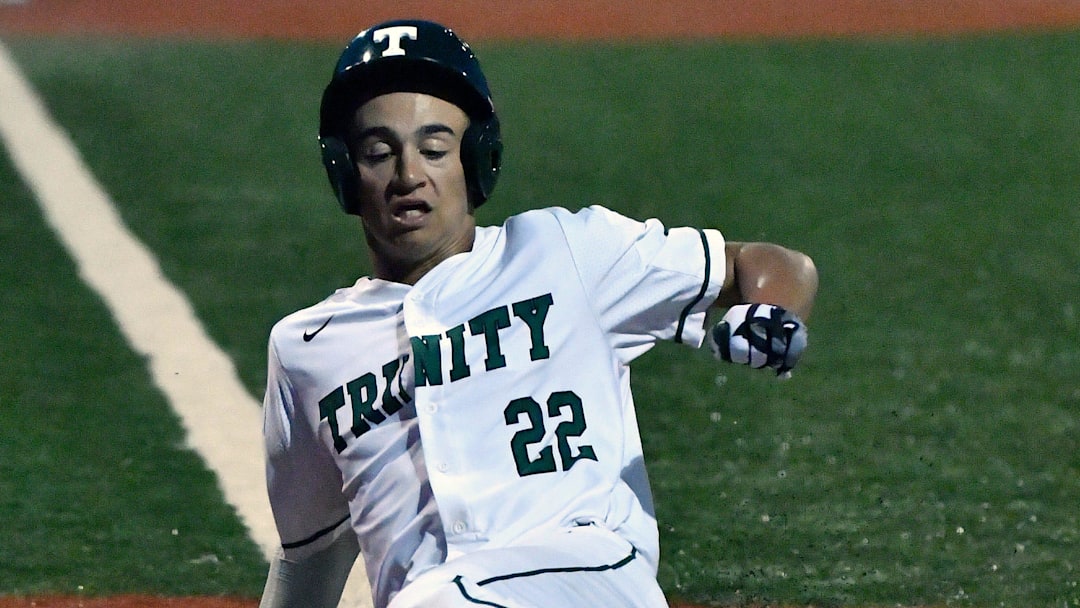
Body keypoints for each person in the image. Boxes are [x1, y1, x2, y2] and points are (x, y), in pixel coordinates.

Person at [259, 19, 818, 608]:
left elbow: (771, 263)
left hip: (588, 575)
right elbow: (310, 557)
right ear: (345, 173)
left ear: (478, 160)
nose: (408, 175)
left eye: (434, 148)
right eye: (378, 152)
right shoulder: (307, 350)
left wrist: (774, 313)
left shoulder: (567, 251)